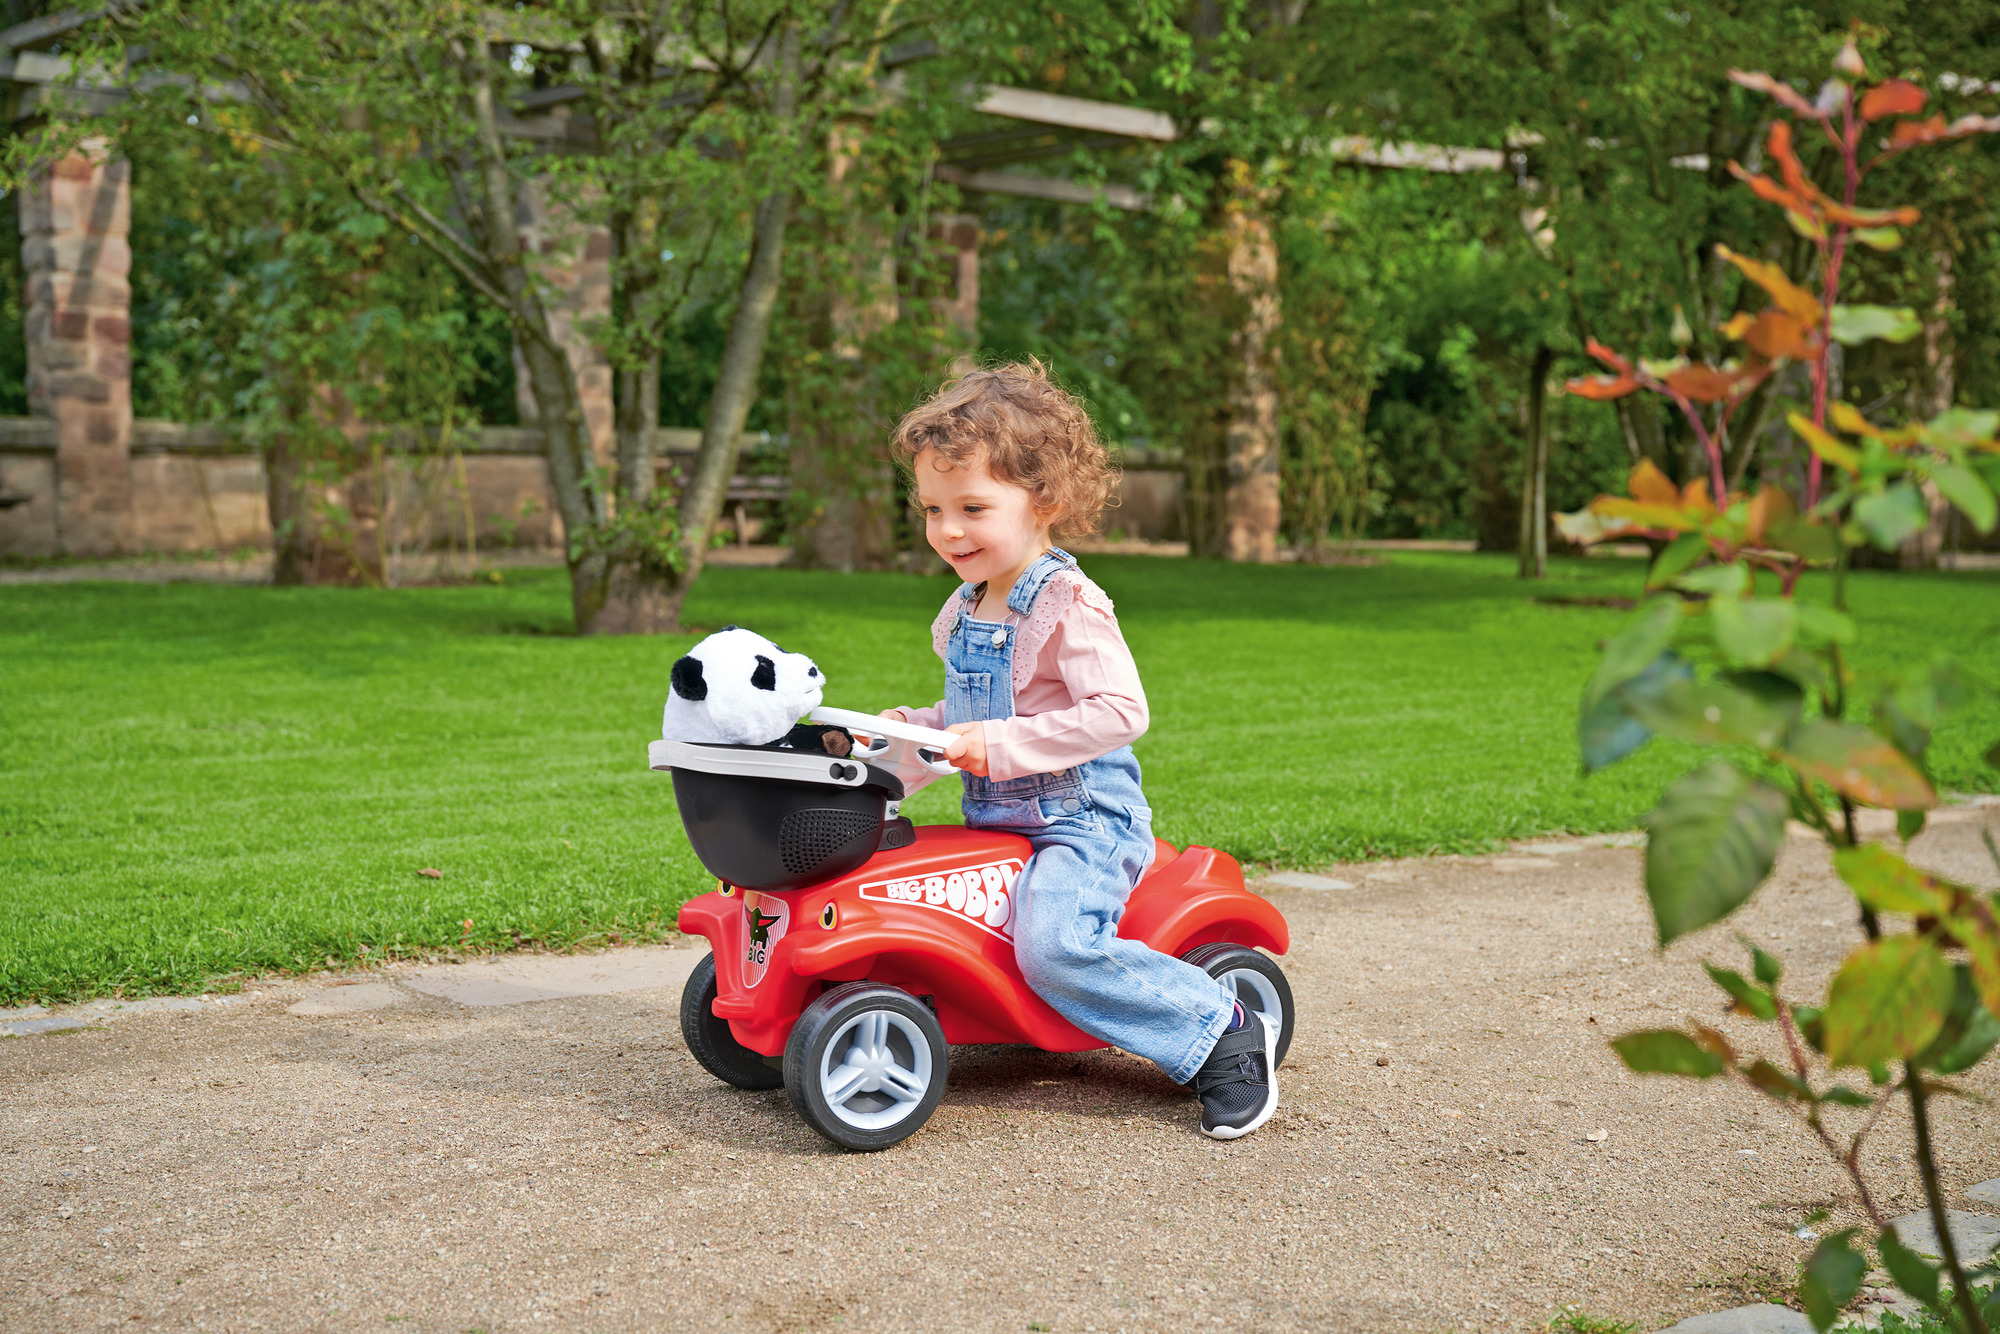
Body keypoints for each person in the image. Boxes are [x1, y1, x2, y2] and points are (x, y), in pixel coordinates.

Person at [879, 359, 1278, 1140]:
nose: (948, 530)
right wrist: (903, 740)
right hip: (999, 822)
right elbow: (972, 717)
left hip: (1081, 821)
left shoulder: (1068, 604)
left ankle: (1219, 1028)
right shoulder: (966, 604)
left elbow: (1118, 712)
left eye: (972, 507)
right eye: (932, 508)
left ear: (1045, 501)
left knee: (1056, 946)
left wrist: (991, 743)